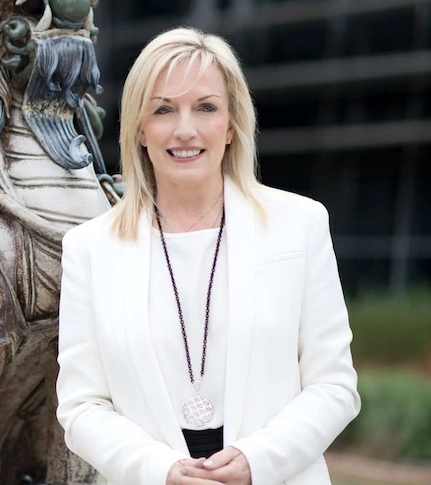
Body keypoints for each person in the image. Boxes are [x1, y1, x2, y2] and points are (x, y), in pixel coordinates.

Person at [56, 27, 360, 485]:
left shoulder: (300, 225)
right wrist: (159, 471)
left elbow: (335, 386)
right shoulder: (89, 249)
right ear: (139, 128)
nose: (185, 129)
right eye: (163, 109)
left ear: (232, 124)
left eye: (206, 108)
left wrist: (256, 460)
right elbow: (82, 407)